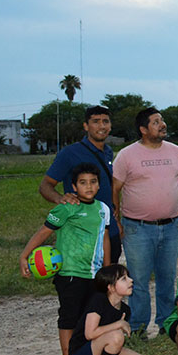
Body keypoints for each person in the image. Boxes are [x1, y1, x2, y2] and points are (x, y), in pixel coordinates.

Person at [20, 162, 111, 355]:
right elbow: (44, 232)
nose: (88, 186)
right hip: (70, 275)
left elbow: (105, 238)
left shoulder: (103, 208)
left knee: (88, 318)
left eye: (93, 182)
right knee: (69, 318)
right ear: (73, 186)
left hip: (94, 275)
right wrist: (24, 255)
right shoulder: (67, 207)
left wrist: (108, 269)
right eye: (82, 183)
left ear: (99, 185)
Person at [112, 107, 178, 336]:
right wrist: (117, 220)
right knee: (138, 281)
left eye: (162, 120)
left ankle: (167, 325)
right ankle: (137, 327)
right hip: (137, 228)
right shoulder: (127, 155)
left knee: (167, 278)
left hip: (170, 227)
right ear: (143, 129)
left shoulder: (176, 152)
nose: (162, 124)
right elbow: (115, 189)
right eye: (156, 122)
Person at [39, 105, 121, 266]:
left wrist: (117, 220)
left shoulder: (108, 152)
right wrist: (60, 198)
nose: (101, 126)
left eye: (105, 121)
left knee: (108, 281)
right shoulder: (70, 153)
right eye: (96, 121)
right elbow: (45, 185)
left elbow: (109, 187)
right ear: (86, 126)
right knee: (81, 284)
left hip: (108, 232)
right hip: (81, 233)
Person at [68, 265, 149, 355]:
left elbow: (117, 345)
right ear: (111, 287)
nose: (131, 280)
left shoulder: (125, 309)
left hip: (107, 349)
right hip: (82, 353)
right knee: (116, 335)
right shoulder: (98, 300)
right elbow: (90, 334)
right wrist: (118, 324)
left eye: (128, 277)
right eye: (123, 279)